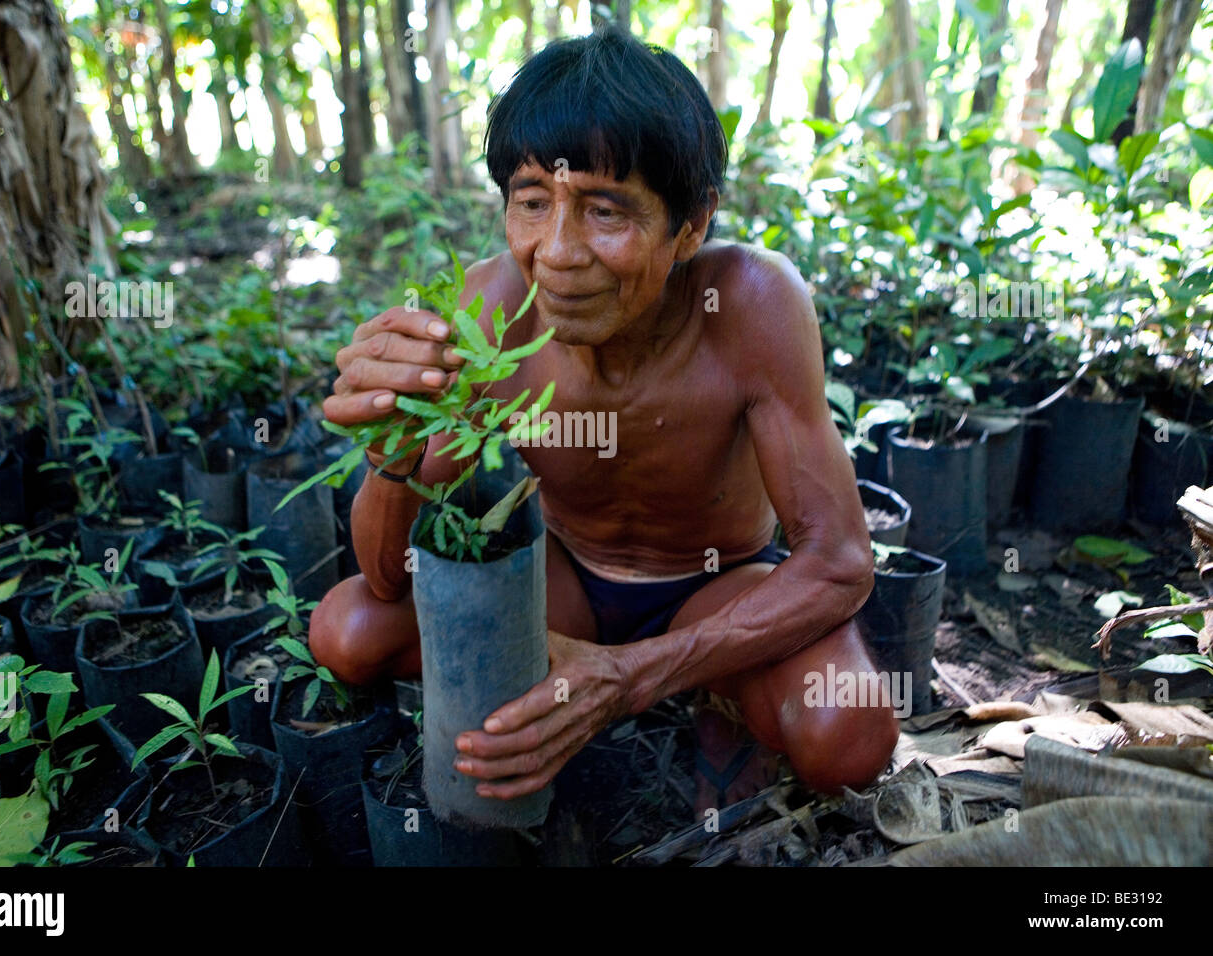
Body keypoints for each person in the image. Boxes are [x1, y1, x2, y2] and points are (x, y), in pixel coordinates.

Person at [310, 30, 898, 813]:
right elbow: (388, 577)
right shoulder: (491, 313)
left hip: (717, 585)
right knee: (347, 632)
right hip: (563, 583)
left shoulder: (752, 305)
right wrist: (391, 454)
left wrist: (630, 676)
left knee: (846, 735)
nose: (556, 252)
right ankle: (567, 696)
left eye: (605, 210)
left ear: (691, 225)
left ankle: (708, 691)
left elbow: (838, 562)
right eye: (531, 203)